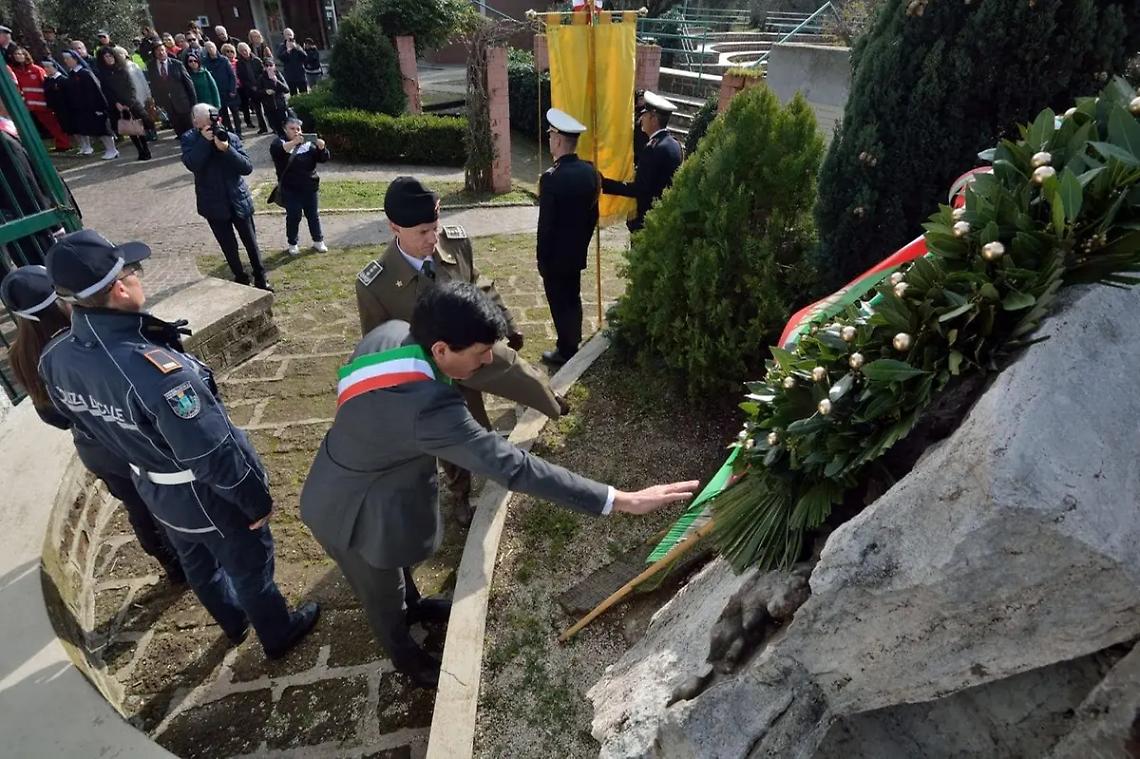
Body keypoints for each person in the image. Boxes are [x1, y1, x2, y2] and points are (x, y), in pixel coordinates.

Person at [301, 281, 698, 687]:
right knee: (381, 595)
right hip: (350, 513)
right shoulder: (429, 410)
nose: (487, 360)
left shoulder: (391, 334)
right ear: (441, 350)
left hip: (374, 480)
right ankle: (405, 655)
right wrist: (620, 499)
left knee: (400, 568)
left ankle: (415, 605)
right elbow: (516, 467)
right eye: (479, 353)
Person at [38, 230, 320, 660]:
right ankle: (277, 632)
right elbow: (213, 454)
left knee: (197, 560)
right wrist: (255, 501)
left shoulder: (56, 357)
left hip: (153, 488)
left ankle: (233, 622)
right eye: (134, 271)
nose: (139, 277)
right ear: (120, 287)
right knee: (249, 563)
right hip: (203, 492)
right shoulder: (158, 375)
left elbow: (84, 424)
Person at [355, 177, 566, 527]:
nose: (431, 238)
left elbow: (478, 283)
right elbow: (380, 344)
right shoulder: (375, 285)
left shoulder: (455, 243)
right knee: (459, 439)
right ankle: (460, 495)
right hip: (434, 374)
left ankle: (554, 405)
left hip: (477, 351)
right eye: (422, 232)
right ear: (394, 227)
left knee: (521, 373)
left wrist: (505, 321)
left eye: (434, 227)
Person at [2, 266, 185, 583]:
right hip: (127, 439)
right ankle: (193, 555)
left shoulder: (22, 354)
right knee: (169, 498)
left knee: (137, 507)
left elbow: (49, 415)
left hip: (94, 448)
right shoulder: (80, 339)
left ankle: (172, 564)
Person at [181, 102, 270, 290]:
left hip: (238, 199)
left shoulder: (229, 137)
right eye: (206, 123)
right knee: (228, 246)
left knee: (251, 243)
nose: (212, 126)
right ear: (196, 122)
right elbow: (192, 164)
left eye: (213, 121)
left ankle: (261, 277)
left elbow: (246, 167)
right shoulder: (189, 139)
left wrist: (226, 149)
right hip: (213, 203)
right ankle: (241, 278)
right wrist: (205, 142)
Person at [536, 108, 599, 366]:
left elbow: (546, 227)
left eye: (551, 135)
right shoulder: (590, 172)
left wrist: (542, 260)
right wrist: (581, 244)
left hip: (555, 258)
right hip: (576, 253)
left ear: (559, 140)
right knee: (573, 298)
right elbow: (592, 216)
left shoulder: (552, 179)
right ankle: (573, 341)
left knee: (559, 302)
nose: (549, 140)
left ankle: (566, 350)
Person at [600, 90, 683, 232]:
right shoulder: (675, 145)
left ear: (653, 118)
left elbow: (640, 189)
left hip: (646, 222)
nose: (641, 119)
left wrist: (604, 183)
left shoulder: (653, 149)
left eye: (644, 115)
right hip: (663, 218)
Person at [270, 116, 329, 255]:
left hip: (310, 188)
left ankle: (318, 241)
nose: (296, 132)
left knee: (313, 215)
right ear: (285, 129)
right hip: (290, 189)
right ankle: (292, 243)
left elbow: (323, 158)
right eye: (292, 129)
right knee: (293, 216)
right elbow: (278, 152)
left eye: (298, 129)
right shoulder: (278, 143)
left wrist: (322, 148)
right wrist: (294, 142)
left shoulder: (308, 145)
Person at [95, 46, 151, 160]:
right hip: (118, 106)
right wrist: (116, 103)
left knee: (139, 128)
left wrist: (129, 102)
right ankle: (139, 151)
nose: (109, 58)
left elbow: (131, 87)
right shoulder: (103, 74)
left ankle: (146, 150)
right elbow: (107, 91)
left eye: (111, 55)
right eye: (106, 57)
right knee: (130, 129)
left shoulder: (122, 69)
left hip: (131, 103)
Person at [10, 47, 71, 151]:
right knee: (47, 126)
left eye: (20, 54)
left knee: (54, 124)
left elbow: (46, 84)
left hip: (43, 104)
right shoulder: (15, 72)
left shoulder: (36, 70)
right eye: (16, 55)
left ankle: (64, 144)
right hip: (30, 105)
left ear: (26, 56)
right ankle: (60, 143)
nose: (18, 56)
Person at [60, 50, 117, 159]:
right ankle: (108, 149)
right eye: (65, 59)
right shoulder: (72, 74)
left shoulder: (85, 73)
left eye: (68, 59)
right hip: (84, 108)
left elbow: (96, 90)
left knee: (104, 129)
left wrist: (100, 106)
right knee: (97, 130)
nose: (66, 61)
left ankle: (112, 149)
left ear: (75, 59)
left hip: (95, 106)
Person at [148, 42, 195, 136]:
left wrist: (194, 104)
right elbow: (154, 86)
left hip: (184, 105)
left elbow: (189, 85)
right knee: (180, 133)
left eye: (162, 50)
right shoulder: (151, 67)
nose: (161, 53)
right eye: (157, 51)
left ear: (165, 50)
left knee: (192, 132)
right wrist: (159, 103)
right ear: (154, 53)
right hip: (169, 107)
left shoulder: (177, 64)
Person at [203, 41, 240, 136]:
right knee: (224, 114)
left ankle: (239, 132)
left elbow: (232, 76)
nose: (211, 49)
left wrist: (233, 90)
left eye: (212, 47)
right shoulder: (205, 62)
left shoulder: (224, 60)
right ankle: (230, 132)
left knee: (235, 113)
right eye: (208, 48)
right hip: (218, 93)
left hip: (229, 91)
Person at [235, 42, 267, 134]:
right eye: (242, 51)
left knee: (267, 108)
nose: (244, 52)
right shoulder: (239, 64)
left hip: (261, 88)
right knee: (258, 110)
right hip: (251, 90)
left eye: (245, 50)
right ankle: (263, 127)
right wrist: (251, 86)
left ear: (249, 50)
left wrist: (259, 85)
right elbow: (241, 77)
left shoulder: (257, 60)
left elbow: (262, 73)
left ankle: (273, 126)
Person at [41, 59, 71, 142]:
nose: (46, 69)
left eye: (48, 67)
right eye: (44, 67)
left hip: (66, 108)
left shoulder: (63, 80)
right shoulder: (47, 81)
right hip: (56, 109)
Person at [258, 60, 290, 138]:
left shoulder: (278, 75)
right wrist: (265, 92)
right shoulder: (261, 77)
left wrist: (276, 81)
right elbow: (257, 91)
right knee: (275, 126)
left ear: (274, 66)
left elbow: (286, 89)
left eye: (271, 65)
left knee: (284, 124)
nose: (269, 67)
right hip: (269, 106)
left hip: (280, 104)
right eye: (267, 66)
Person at [276, 28, 307, 95]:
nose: (289, 36)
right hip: (290, 76)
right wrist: (288, 50)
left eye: (290, 34)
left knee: (304, 94)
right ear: (284, 36)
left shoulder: (298, 45)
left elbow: (305, 56)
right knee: (293, 95)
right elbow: (280, 57)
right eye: (287, 35)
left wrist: (296, 48)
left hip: (300, 74)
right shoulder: (282, 46)